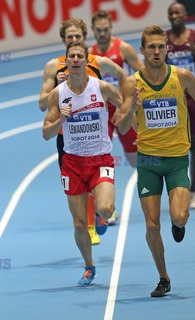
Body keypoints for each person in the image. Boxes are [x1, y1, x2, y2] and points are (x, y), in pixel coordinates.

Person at [119, 25, 195, 297]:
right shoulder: (131, 83)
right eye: (151, 47)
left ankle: (178, 224)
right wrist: (133, 109)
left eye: (161, 46)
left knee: (180, 217)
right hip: (148, 162)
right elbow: (124, 125)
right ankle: (163, 277)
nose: (156, 51)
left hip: (176, 159)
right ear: (142, 50)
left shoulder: (182, 76)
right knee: (151, 225)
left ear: (167, 50)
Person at [43, 41, 134, 286]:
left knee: (105, 208)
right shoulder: (57, 94)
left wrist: (126, 114)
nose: (74, 59)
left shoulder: (101, 87)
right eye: (70, 56)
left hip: (100, 159)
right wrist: (61, 120)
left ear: (86, 60)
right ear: (66, 60)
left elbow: (123, 103)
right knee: (79, 223)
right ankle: (89, 266)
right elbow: (46, 133)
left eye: (79, 56)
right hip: (72, 163)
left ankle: (101, 216)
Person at [38, 18, 127, 245]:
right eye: (70, 38)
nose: (74, 40)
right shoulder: (54, 66)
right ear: (63, 41)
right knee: (79, 186)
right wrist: (57, 87)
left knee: (95, 181)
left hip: (94, 132)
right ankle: (89, 223)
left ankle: (95, 220)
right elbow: (42, 104)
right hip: (65, 136)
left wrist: (125, 104)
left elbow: (124, 76)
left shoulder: (98, 62)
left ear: (84, 38)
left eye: (78, 37)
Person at [90, 10, 145, 225]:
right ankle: (107, 209)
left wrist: (129, 101)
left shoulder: (123, 49)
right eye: (98, 30)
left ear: (111, 28)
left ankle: (152, 188)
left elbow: (142, 73)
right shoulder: (89, 54)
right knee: (100, 159)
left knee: (134, 160)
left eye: (106, 30)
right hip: (101, 114)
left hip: (123, 109)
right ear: (93, 30)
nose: (102, 33)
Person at [166, 2, 195, 210]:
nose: (175, 15)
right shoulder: (162, 40)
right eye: (171, 13)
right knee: (173, 146)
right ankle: (178, 188)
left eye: (178, 12)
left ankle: (193, 191)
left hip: (192, 99)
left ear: (185, 15)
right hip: (170, 100)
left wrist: (194, 50)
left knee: (194, 145)